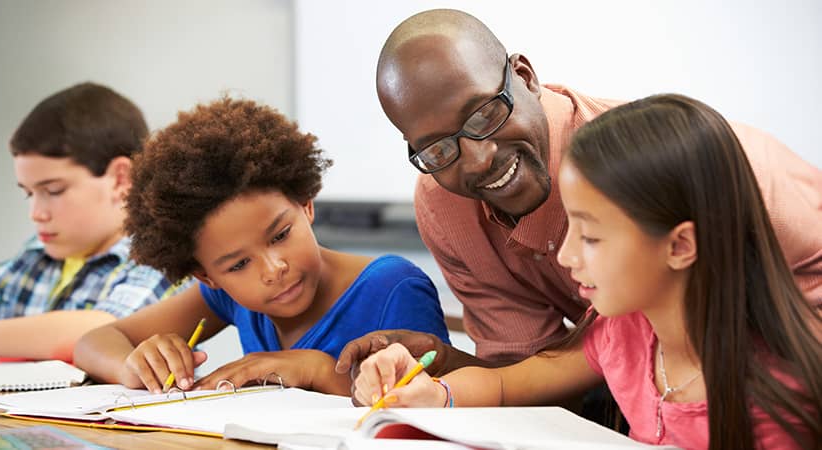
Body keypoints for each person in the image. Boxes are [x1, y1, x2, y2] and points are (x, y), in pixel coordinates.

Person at [335, 8, 822, 377]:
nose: (478, 159)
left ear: (524, 76)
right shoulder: (446, 207)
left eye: (485, 115)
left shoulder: (678, 167)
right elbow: (529, 371)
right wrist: (444, 363)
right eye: (439, 148)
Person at [352, 94, 822, 450]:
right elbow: (505, 382)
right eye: (570, 226)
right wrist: (439, 397)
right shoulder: (627, 334)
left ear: (680, 245)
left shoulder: (781, 400)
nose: (567, 255)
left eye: (592, 237)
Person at [73, 97, 451, 396]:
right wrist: (134, 365)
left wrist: (315, 369)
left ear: (305, 203)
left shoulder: (392, 287)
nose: (273, 269)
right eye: (238, 265)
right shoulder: (225, 297)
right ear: (207, 275)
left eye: (280, 235)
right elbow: (95, 341)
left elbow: (430, 401)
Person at [0, 82, 183, 366]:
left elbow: (96, 332)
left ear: (120, 178)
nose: (36, 213)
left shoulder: (157, 259)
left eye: (54, 191)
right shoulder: (36, 257)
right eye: (28, 193)